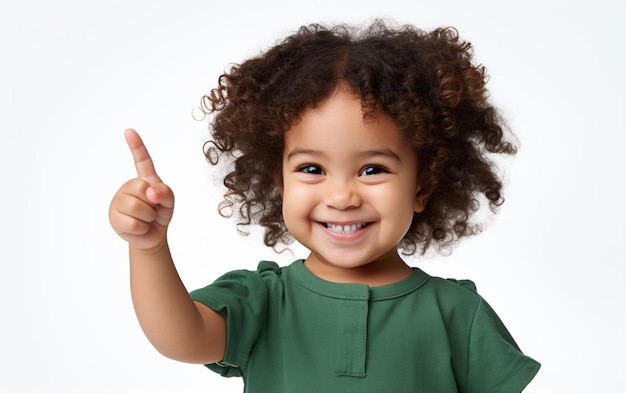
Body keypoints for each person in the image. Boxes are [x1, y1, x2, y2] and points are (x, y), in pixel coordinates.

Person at [109, 20, 540, 392]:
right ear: (279, 183)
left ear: (422, 185)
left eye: (372, 170)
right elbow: (180, 338)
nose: (341, 197)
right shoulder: (265, 300)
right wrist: (148, 248)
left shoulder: (457, 316)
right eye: (313, 168)